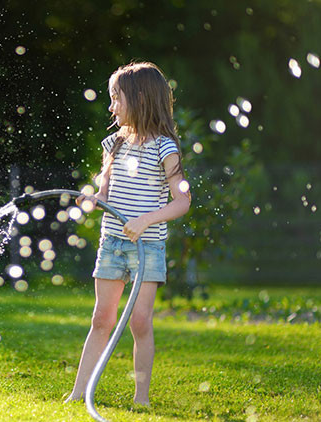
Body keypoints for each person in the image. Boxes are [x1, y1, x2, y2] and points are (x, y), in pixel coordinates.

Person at [66, 62, 191, 406]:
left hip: (147, 246)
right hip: (112, 243)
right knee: (101, 318)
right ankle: (79, 393)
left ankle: (142, 399)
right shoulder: (114, 144)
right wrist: (91, 200)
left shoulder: (165, 148)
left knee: (139, 322)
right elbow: (104, 192)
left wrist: (147, 220)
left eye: (116, 99)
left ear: (138, 98)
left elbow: (182, 201)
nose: (111, 107)